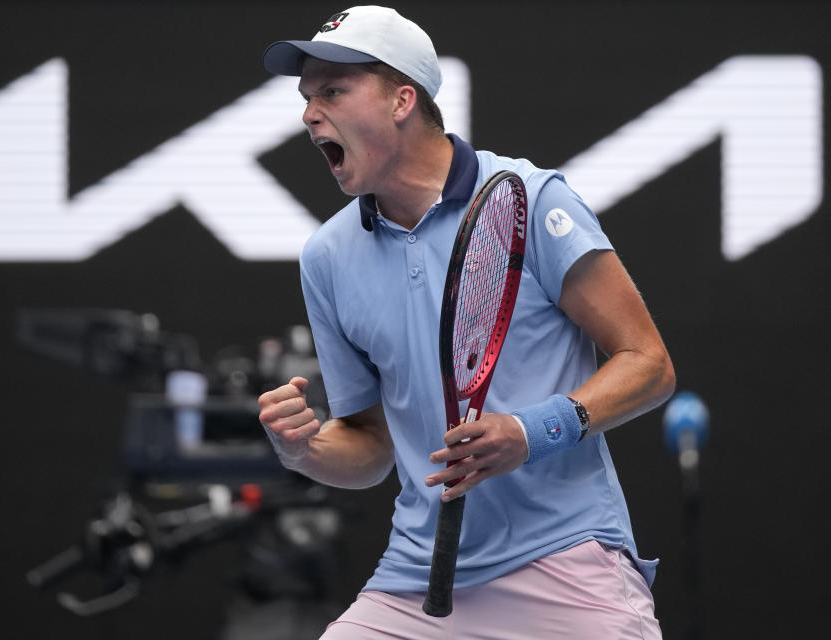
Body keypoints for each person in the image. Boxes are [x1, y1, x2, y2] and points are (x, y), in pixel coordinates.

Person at [258, 6, 675, 639]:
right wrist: (303, 450)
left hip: (566, 563)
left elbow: (649, 365)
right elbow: (370, 446)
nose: (311, 114)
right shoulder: (327, 258)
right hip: (420, 579)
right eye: (307, 97)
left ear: (403, 99)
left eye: (334, 91)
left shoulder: (533, 200)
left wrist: (528, 432)